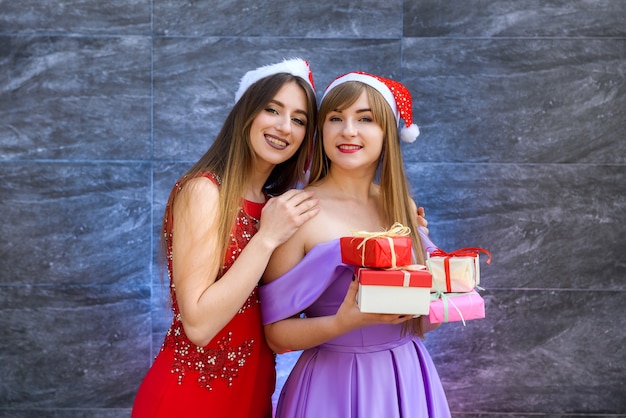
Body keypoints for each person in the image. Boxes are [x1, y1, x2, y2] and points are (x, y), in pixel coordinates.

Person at [131, 58, 320, 418]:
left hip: (252, 397)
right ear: (246, 112)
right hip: (189, 400)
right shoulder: (205, 191)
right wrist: (266, 238)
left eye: (298, 120)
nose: (284, 127)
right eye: (272, 110)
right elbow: (199, 325)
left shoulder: (275, 208)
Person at [260, 72, 451, 417]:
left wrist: (438, 300)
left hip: (406, 375)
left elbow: (423, 323)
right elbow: (276, 334)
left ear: (387, 134)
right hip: (331, 385)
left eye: (365, 119)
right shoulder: (298, 211)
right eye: (336, 118)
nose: (348, 130)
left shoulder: (401, 207)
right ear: (322, 131)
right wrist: (342, 323)